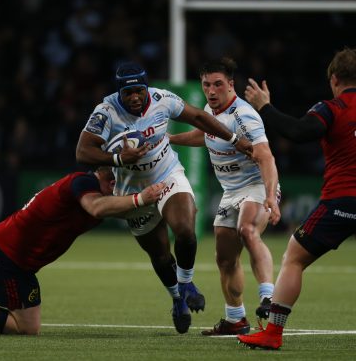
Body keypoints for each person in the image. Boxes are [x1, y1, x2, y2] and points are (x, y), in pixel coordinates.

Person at [75, 61, 252, 334]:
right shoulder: (106, 112)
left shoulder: (162, 99)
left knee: (185, 229)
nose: (134, 97)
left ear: (147, 88)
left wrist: (233, 139)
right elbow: (83, 151)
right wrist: (119, 158)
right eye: (128, 93)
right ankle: (177, 298)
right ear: (119, 93)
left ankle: (186, 284)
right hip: (133, 191)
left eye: (139, 91)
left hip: (167, 175)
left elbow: (198, 118)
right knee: (159, 256)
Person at [237, 47, 356, 350]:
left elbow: (300, 131)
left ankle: (273, 333)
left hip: (342, 199)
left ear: (334, 79)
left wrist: (265, 107)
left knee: (294, 258)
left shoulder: (334, 107)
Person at [168, 57, 281, 336]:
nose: (211, 91)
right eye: (206, 85)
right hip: (230, 192)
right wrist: (169, 139)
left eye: (218, 84)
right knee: (225, 258)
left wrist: (270, 197)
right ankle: (236, 320)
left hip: (256, 187)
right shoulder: (210, 110)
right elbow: (204, 136)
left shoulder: (244, 116)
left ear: (231, 85)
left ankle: (269, 297)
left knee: (248, 230)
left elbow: (266, 157)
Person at [0, 166, 164, 335]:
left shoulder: (96, 194)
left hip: (21, 266)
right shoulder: (83, 182)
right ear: (113, 183)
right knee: (24, 329)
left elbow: (126, 211)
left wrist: (164, 201)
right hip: (5, 254)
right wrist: (140, 198)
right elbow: (96, 207)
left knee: (27, 328)